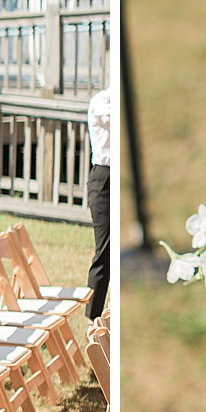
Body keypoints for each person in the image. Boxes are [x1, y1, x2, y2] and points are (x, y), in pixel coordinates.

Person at [86, 83, 113, 319]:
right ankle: (92, 320)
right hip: (103, 180)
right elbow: (109, 118)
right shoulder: (101, 101)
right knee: (104, 253)